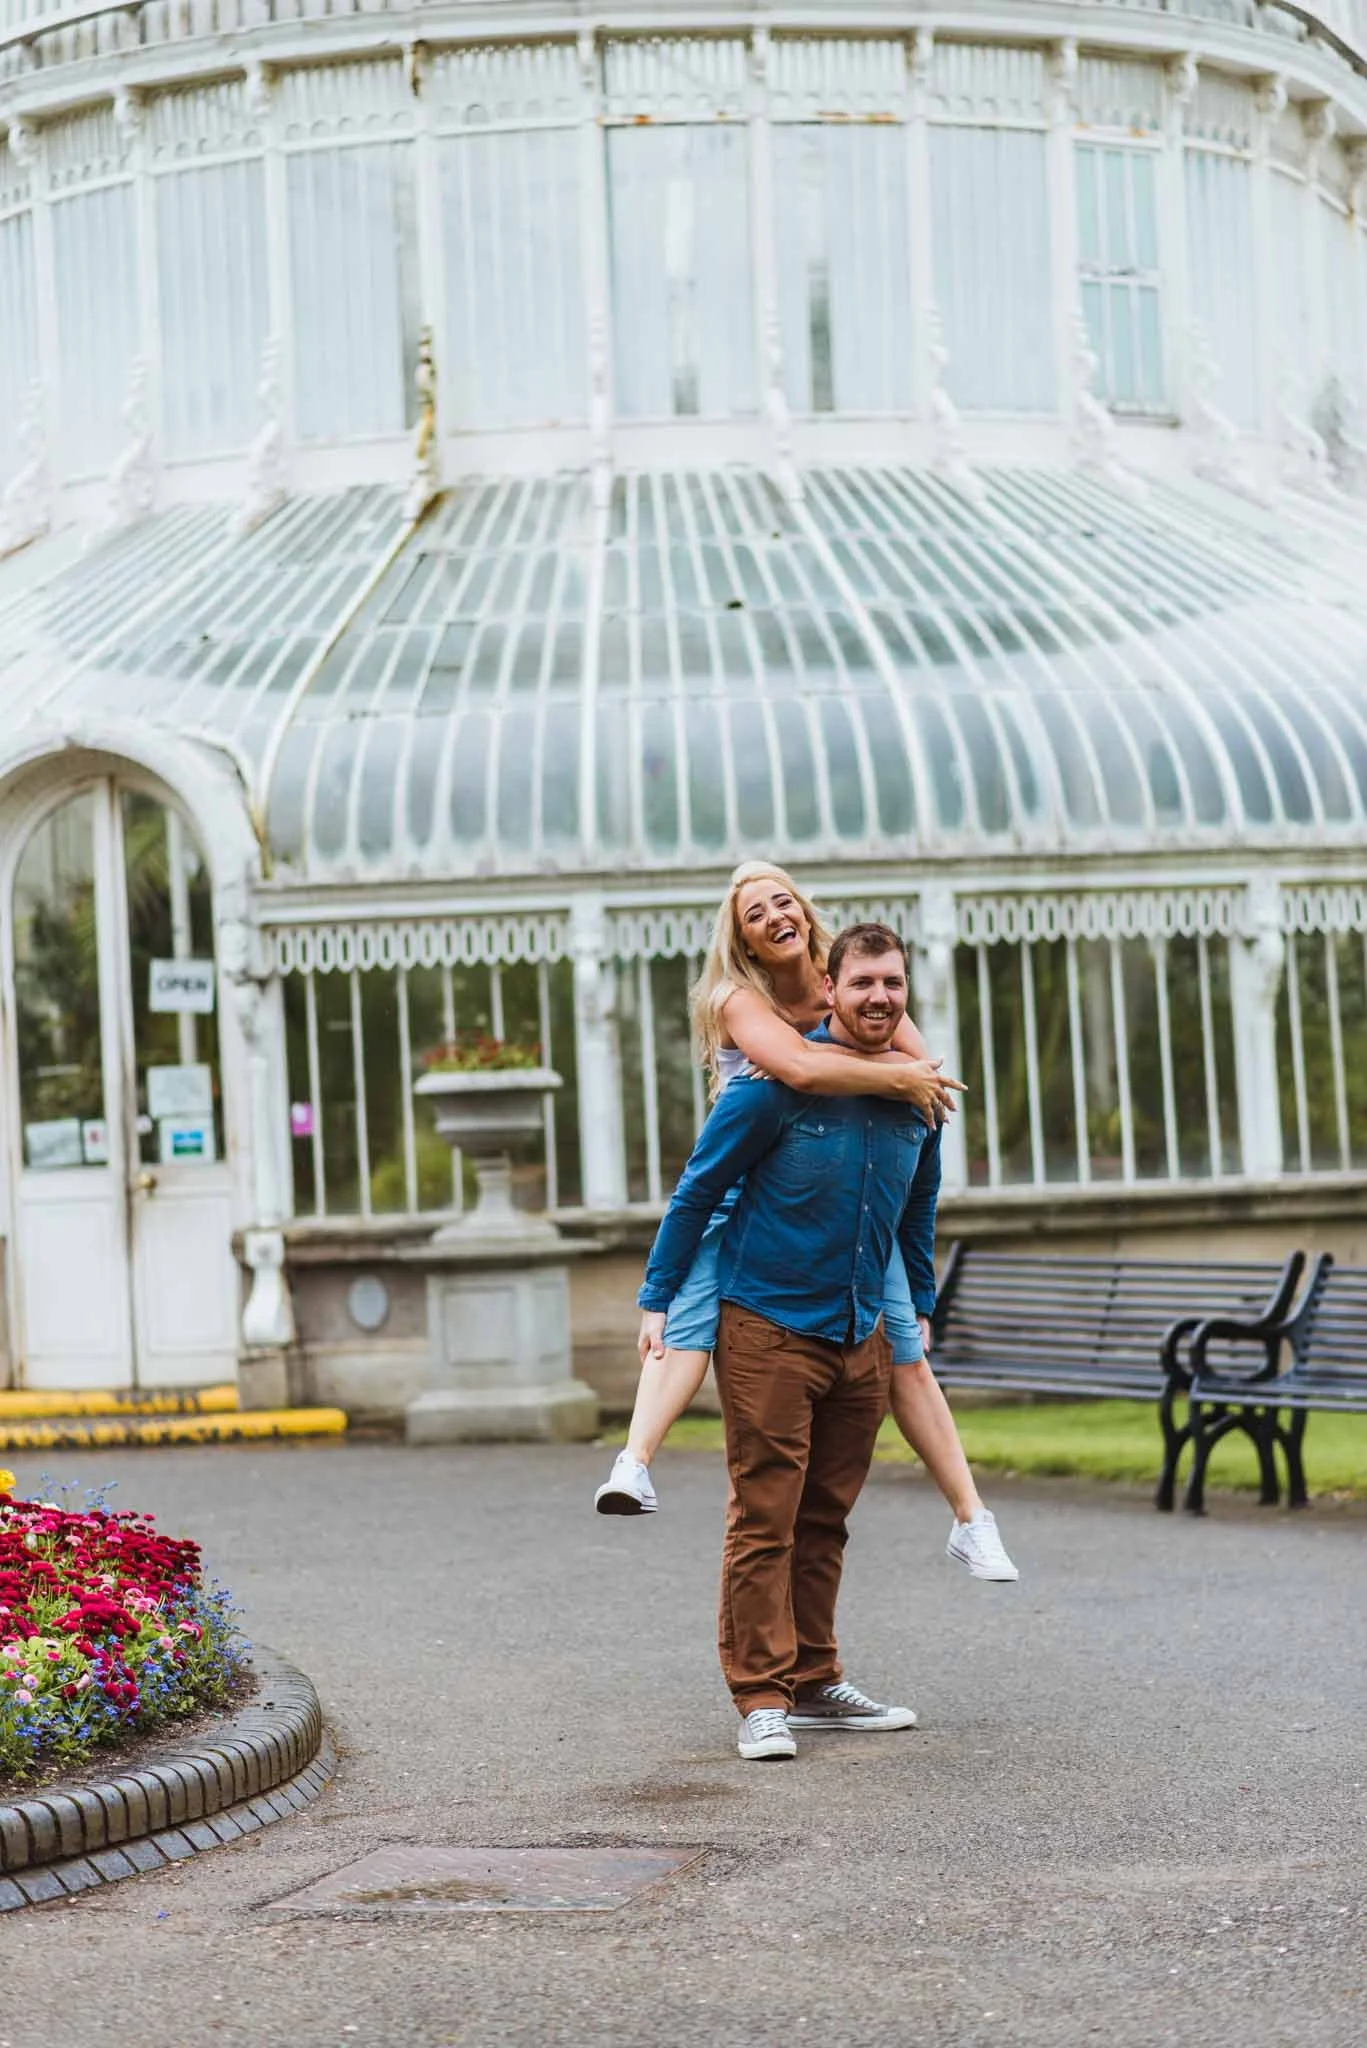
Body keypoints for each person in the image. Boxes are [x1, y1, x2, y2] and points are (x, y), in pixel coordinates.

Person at [594, 861, 1016, 1586]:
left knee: (907, 1353)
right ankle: (634, 1463)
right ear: (745, 942)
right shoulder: (736, 997)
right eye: (755, 915)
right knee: (683, 1322)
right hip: (745, 1187)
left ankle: (972, 1520)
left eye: (781, 901)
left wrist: (919, 1290)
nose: (773, 917)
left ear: (805, 911)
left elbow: (924, 1082)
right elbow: (801, 1073)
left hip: (842, 1191)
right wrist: (653, 1291)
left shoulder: (851, 973)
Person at [636, 922, 945, 1760]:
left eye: (893, 983)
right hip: (768, 1327)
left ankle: (815, 1681)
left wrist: (915, 1300)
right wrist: (658, 1297)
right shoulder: (773, 1085)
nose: (879, 998)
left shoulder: (916, 1094)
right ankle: (760, 1696)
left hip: (859, 1333)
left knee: (827, 1517)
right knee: (765, 1513)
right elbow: (697, 1191)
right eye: (863, 984)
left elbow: (917, 1207)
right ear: (829, 991)